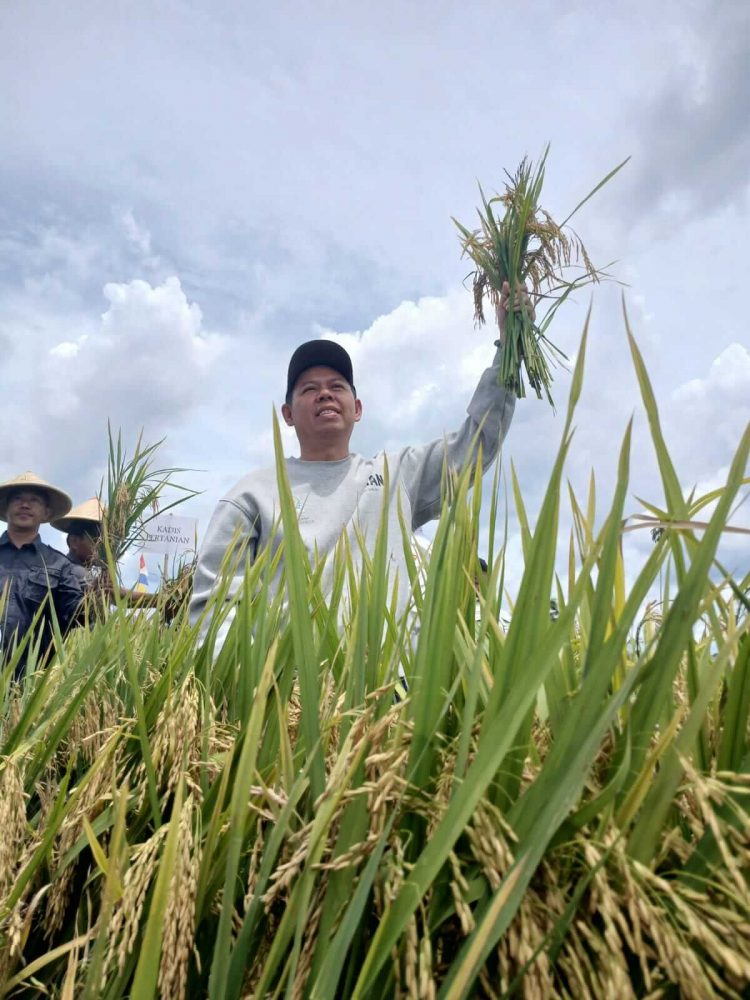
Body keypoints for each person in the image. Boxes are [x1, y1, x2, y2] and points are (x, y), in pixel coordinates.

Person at [190, 282, 525, 649]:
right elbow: (214, 613)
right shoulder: (250, 495)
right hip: (287, 695)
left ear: (358, 408)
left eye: (337, 386)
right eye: (308, 389)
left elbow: (474, 446)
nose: (324, 393)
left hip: (390, 692)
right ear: (287, 414)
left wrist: (509, 348)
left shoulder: (397, 476)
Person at [0, 471, 84, 673]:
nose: (25, 505)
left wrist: (96, 599)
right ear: (6, 508)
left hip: (30, 679)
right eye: (18, 498)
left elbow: (76, 617)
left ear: (46, 512)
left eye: (34, 500)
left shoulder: (60, 565)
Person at [51, 497, 105, 588]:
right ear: (74, 541)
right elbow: (112, 593)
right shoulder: (75, 571)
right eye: (96, 542)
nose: (101, 549)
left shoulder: (63, 566)